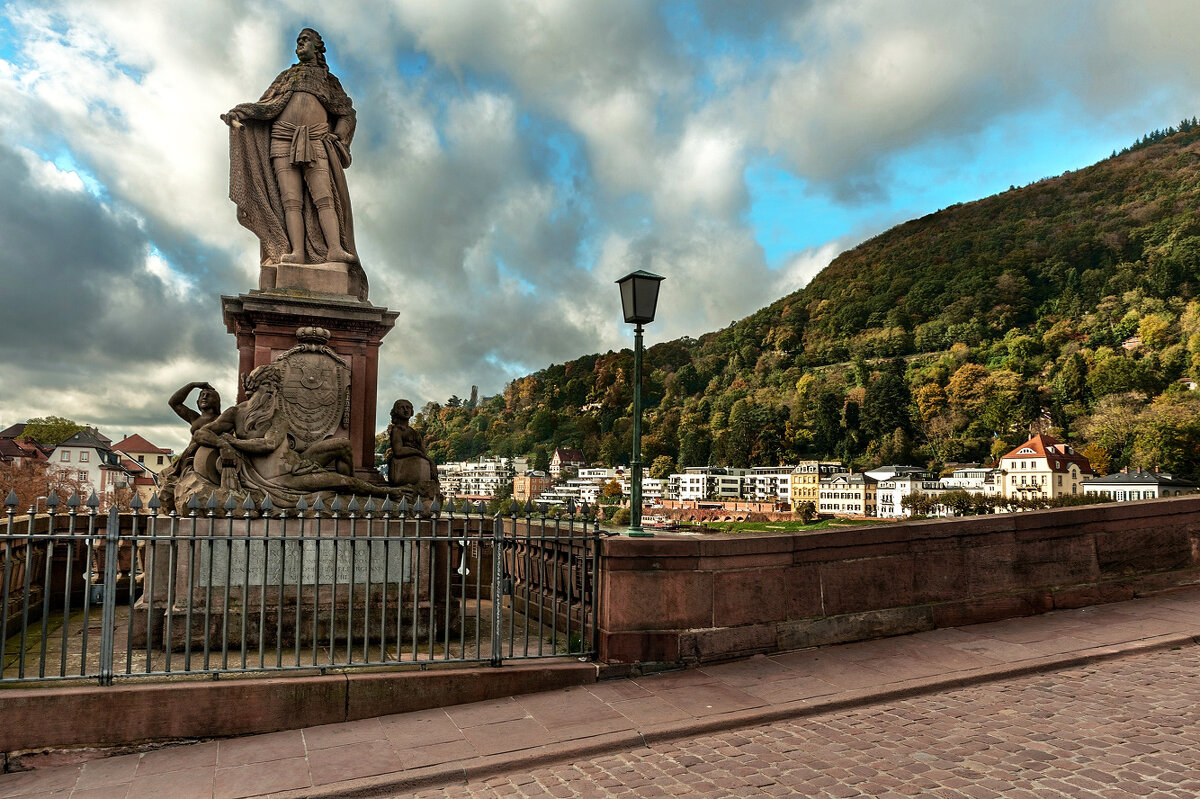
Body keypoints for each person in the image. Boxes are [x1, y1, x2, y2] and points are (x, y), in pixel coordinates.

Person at [223, 29, 362, 276]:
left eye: (305, 39)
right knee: (290, 201)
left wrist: (339, 136)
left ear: (318, 47)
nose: (300, 43)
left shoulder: (329, 82)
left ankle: (334, 249)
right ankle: (296, 251)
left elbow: (346, 113)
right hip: (282, 139)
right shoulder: (286, 76)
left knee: (324, 198)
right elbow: (266, 106)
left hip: (316, 138)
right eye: (298, 40)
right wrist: (242, 112)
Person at [385, 399, 438, 486]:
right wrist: (416, 452)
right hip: (402, 466)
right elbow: (398, 451)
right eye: (402, 408)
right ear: (396, 411)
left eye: (408, 408)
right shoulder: (397, 430)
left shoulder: (414, 432)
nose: (406, 410)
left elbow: (423, 451)